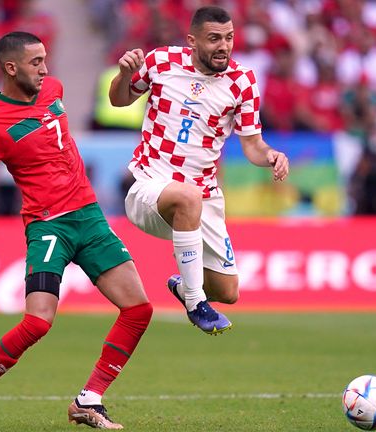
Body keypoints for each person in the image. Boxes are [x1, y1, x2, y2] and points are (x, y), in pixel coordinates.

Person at [0, 32, 152, 431]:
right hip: (48, 226)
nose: (44, 68)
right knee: (38, 322)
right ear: (11, 68)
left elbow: (112, 96)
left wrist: (125, 74)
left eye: (44, 59)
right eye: (35, 61)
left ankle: (88, 400)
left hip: (89, 218)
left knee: (139, 308)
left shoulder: (52, 88)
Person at [109, 6, 289, 335]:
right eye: (214, 39)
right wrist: (124, 76)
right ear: (192, 41)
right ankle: (194, 302)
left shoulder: (242, 82)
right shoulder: (160, 62)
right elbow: (119, 101)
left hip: (205, 198)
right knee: (187, 197)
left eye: (229, 38)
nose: (224, 46)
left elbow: (253, 145)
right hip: (150, 186)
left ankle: (184, 285)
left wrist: (271, 155)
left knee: (227, 292)